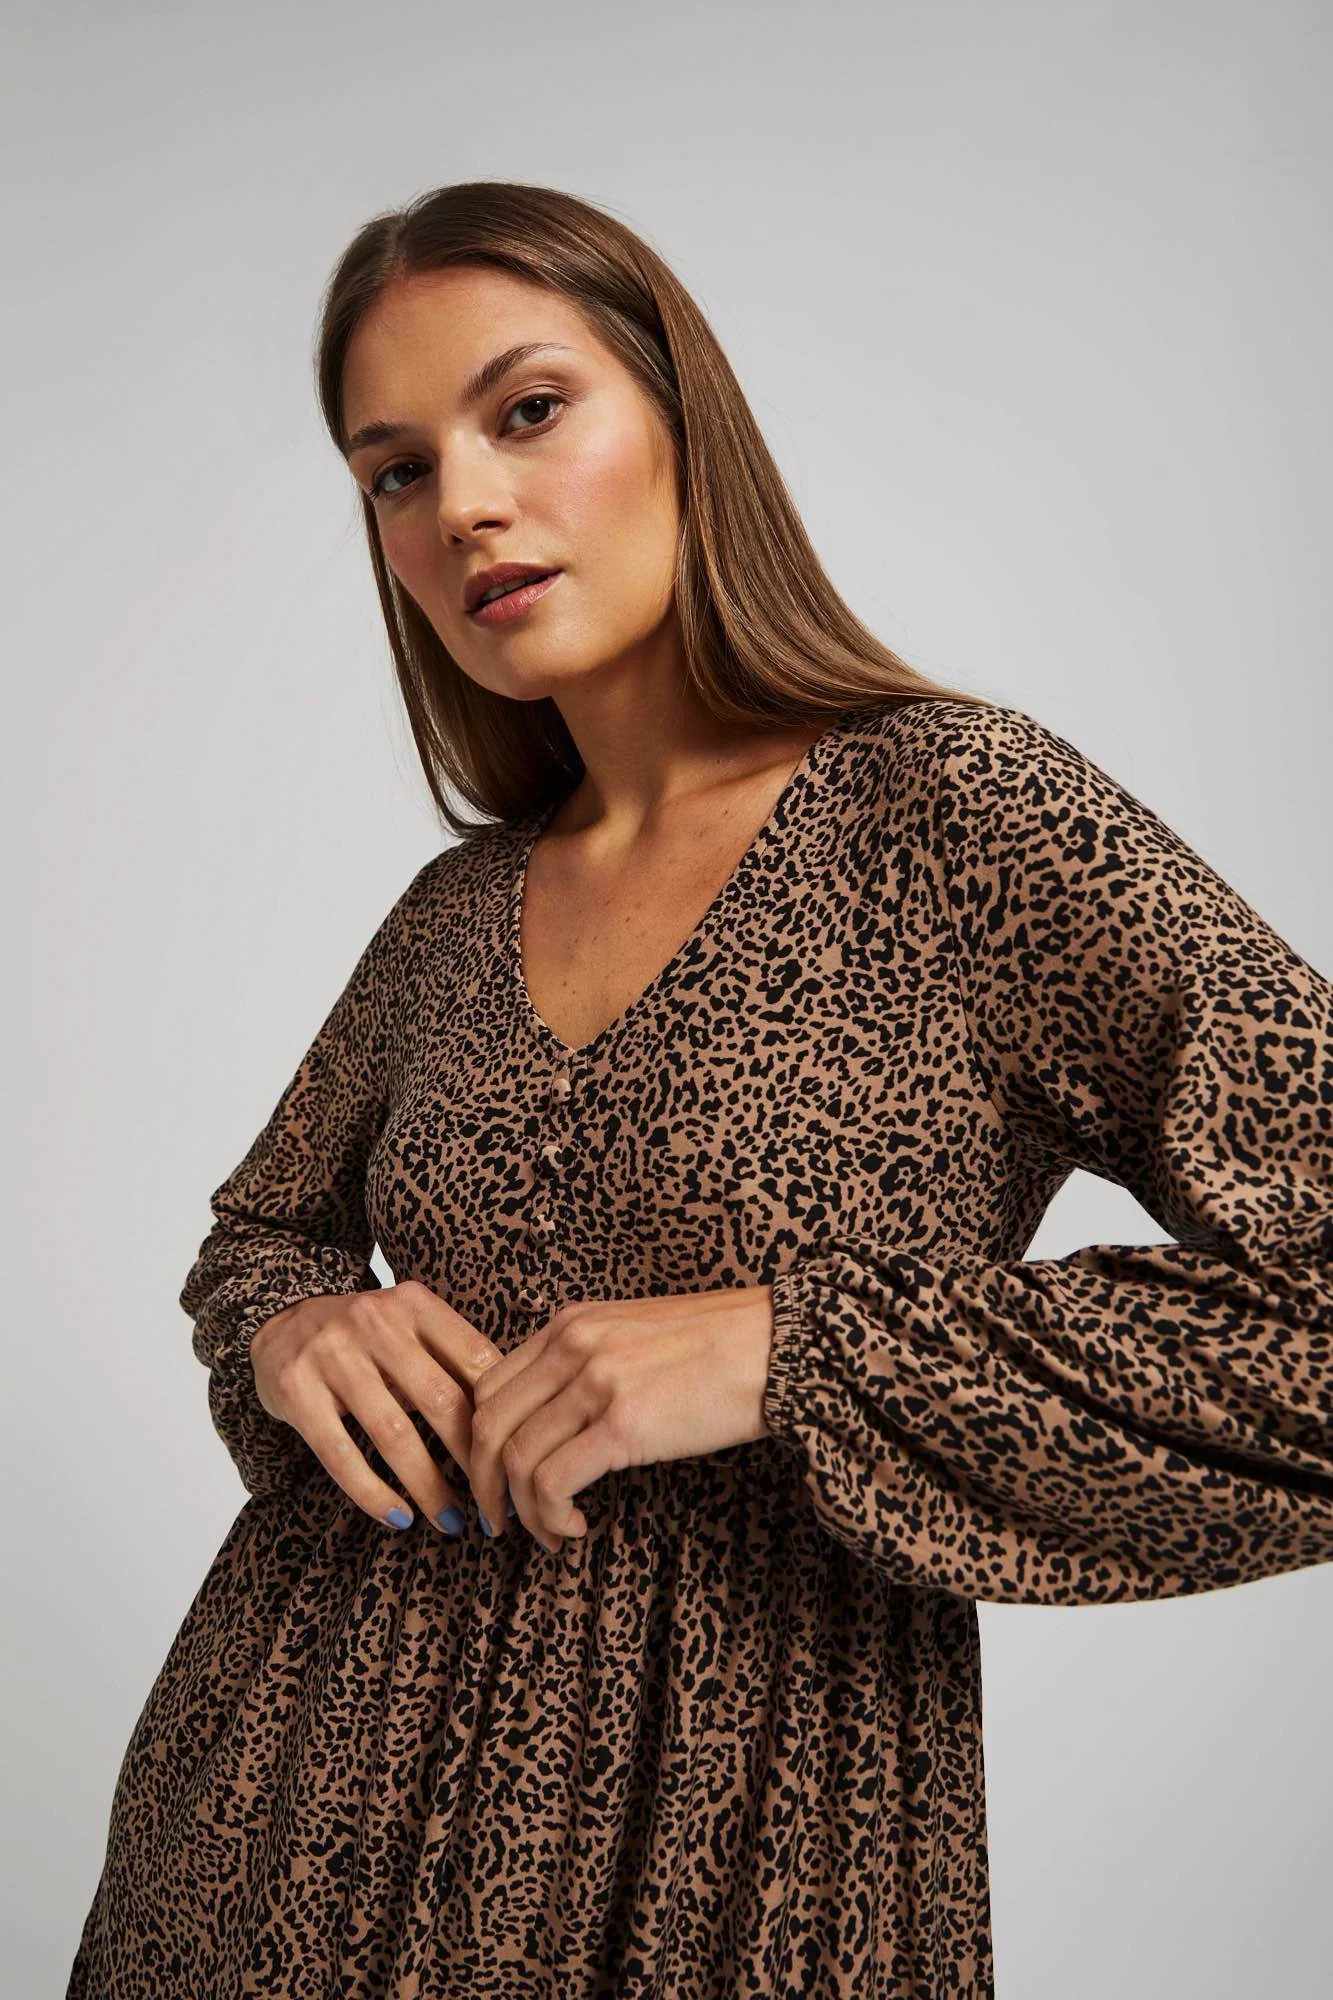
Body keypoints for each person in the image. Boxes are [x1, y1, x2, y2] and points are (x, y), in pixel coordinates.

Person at [67, 179, 1333, 1999]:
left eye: (526, 410)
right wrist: (290, 1330)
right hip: (268, 1829)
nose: (462, 504)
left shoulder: (955, 814)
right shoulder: (454, 913)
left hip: (730, 1857)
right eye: (395, 472)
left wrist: (793, 1351)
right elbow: (257, 1237)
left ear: (684, 422)